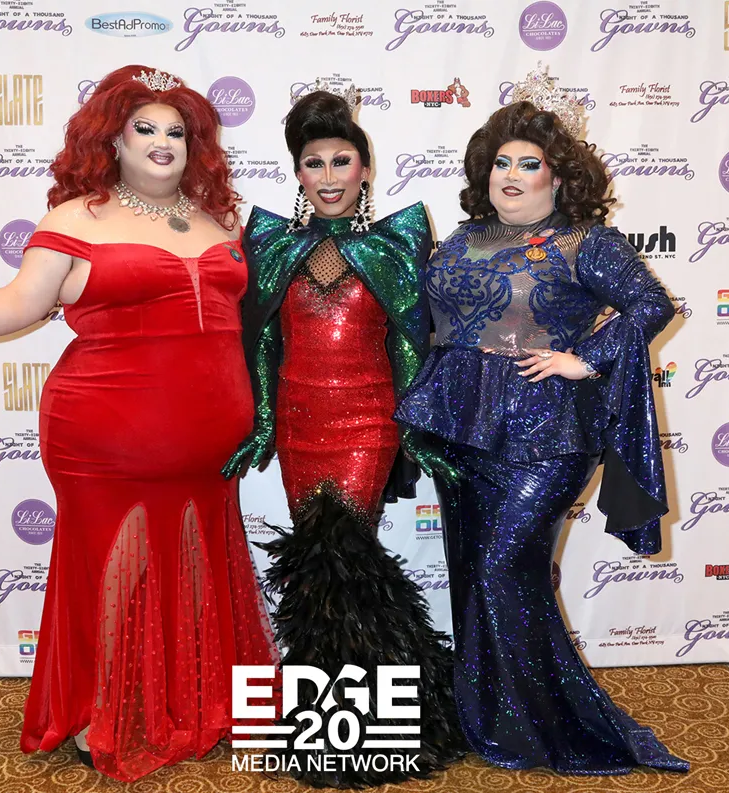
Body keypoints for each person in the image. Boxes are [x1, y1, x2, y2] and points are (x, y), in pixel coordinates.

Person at [0, 64, 277, 782]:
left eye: (177, 131)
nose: (162, 142)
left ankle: (194, 701)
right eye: (144, 129)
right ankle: (104, 709)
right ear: (113, 141)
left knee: (196, 568)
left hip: (209, 445)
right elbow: (20, 301)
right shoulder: (74, 219)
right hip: (106, 435)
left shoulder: (220, 219)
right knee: (112, 573)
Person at [394, 65, 691, 775]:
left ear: (558, 177)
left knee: (503, 569)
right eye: (502, 162)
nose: (512, 175)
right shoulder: (463, 236)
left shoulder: (586, 241)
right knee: (470, 571)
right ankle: (488, 716)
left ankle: (554, 726)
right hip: (461, 429)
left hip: (546, 434)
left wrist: (585, 358)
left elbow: (652, 305)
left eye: (529, 164)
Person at [222, 88, 464, 786]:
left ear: (365, 168)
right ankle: (340, 719)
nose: (328, 177)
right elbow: (262, 342)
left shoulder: (395, 241)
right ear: (297, 172)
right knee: (316, 564)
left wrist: (415, 427)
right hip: (300, 422)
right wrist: (262, 423)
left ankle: (358, 730)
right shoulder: (273, 244)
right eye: (313, 163)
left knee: (343, 554)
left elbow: (410, 345)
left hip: (367, 422)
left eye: (341, 161)